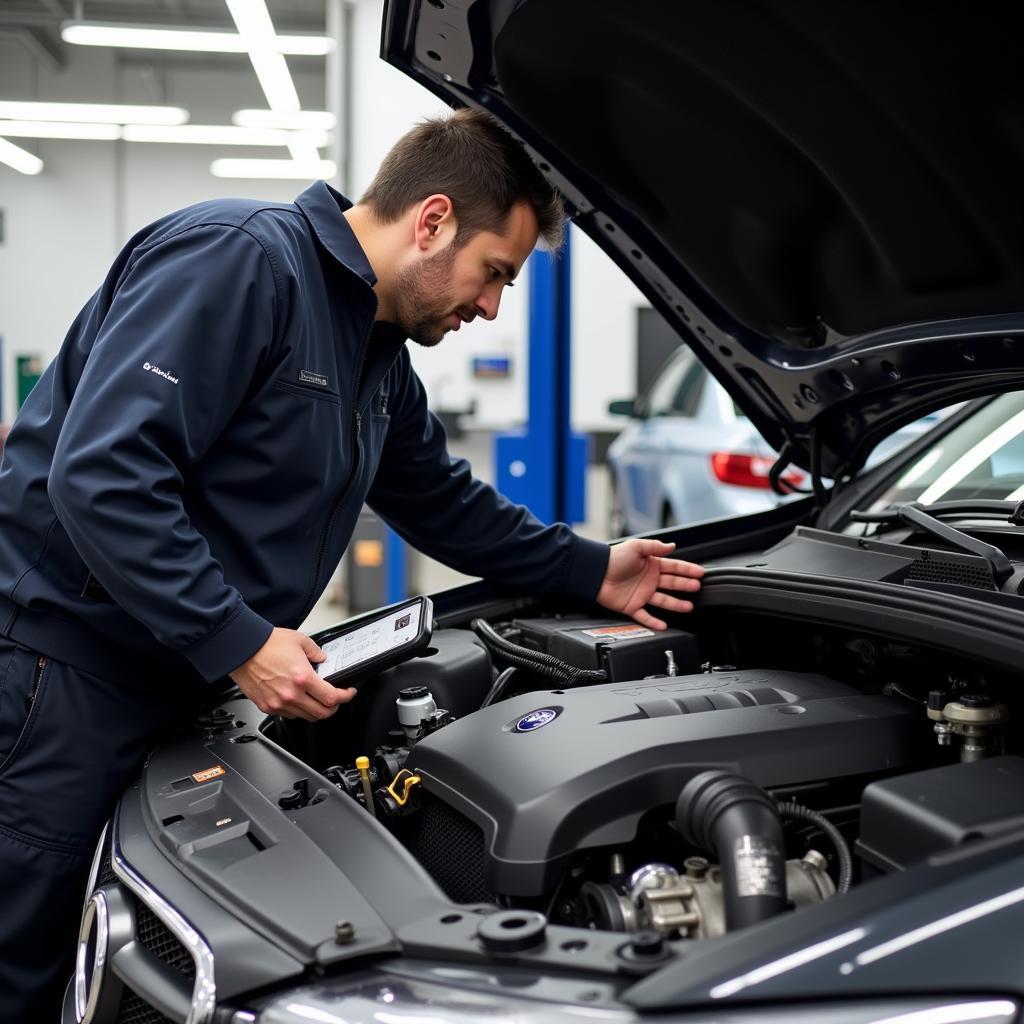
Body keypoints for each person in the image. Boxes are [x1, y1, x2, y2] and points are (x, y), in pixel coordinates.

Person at [0, 107, 703, 1019]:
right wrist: (239, 639)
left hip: (176, 685)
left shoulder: (377, 356)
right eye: (496, 273)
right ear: (433, 219)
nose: (491, 306)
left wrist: (589, 568)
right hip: (68, 674)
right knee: (26, 949)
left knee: (115, 952)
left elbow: (440, 500)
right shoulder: (242, 260)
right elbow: (101, 473)